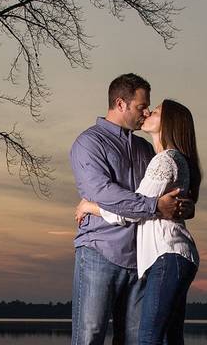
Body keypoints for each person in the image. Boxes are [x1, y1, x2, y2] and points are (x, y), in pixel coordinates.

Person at [69, 74, 187, 345]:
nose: (146, 112)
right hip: (99, 251)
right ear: (120, 104)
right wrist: (155, 207)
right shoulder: (89, 143)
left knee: (135, 339)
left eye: (149, 107)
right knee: (90, 336)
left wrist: (182, 204)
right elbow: (104, 193)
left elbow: (168, 191)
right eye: (140, 107)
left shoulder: (146, 148)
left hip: (142, 260)